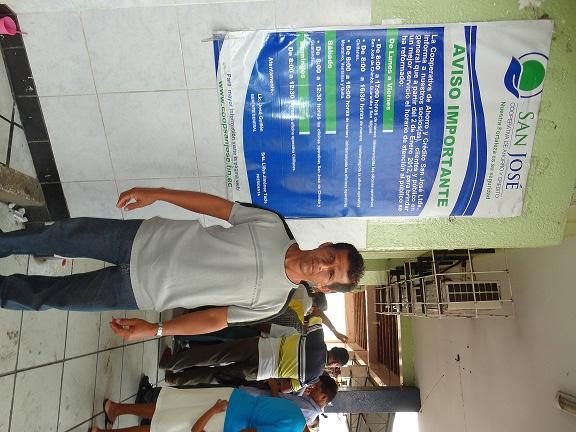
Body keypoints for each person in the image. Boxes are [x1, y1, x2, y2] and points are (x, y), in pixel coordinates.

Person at [0, 187, 365, 341]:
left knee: (51, 297)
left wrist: (157, 330)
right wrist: (157, 193)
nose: (322, 266)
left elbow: (214, 319)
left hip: (137, 290)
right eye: (330, 258)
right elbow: (216, 207)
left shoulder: (273, 303)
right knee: (56, 236)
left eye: (330, 274)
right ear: (326, 245)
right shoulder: (272, 224)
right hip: (139, 238)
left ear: (323, 287)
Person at [160, 316, 350, 390]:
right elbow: (285, 388)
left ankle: (170, 363)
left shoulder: (316, 339)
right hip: (260, 373)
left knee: (216, 355)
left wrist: (334, 331)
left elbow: (315, 314)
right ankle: (175, 379)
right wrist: (276, 375)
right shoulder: (314, 376)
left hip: (259, 348)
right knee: (215, 376)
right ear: (334, 364)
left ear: (333, 349)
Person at [90, 386, 306, 432]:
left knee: (170, 409)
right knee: (166, 427)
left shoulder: (298, 415)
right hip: (225, 421)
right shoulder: (291, 430)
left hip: (232, 398)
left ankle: (116, 408)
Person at [241, 374, 338, 426]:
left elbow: (277, 409)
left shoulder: (308, 411)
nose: (312, 388)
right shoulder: (309, 404)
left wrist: (273, 386)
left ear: (323, 397)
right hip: (254, 400)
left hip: (252, 405)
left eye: (316, 388)